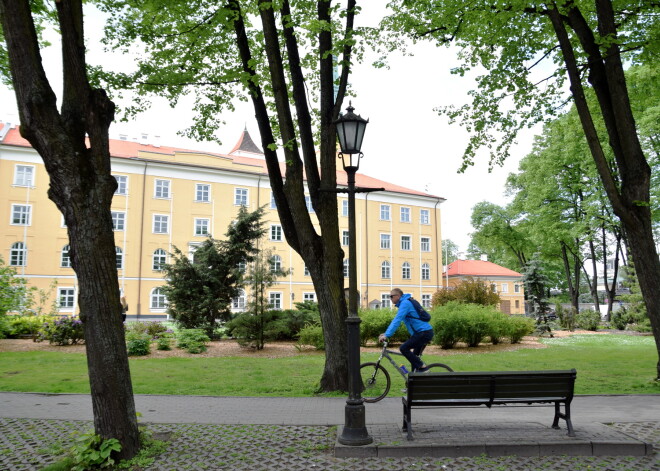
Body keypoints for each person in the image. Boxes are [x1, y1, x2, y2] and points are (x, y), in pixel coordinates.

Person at [378, 288, 434, 373]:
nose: (390, 298)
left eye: (391, 296)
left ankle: (423, 368)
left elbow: (397, 320)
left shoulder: (405, 304)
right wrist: (386, 333)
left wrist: (387, 335)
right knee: (414, 360)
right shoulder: (405, 303)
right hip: (422, 333)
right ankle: (415, 382)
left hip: (423, 333)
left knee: (403, 348)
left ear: (398, 296)